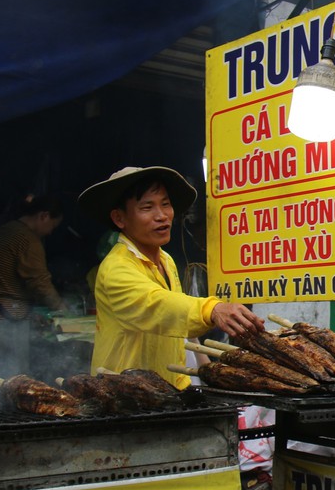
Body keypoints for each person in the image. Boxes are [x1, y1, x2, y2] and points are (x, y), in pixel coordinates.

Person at [77, 166, 265, 388]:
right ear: (119, 218)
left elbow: (178, 323)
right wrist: (212, 309)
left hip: (168, 388)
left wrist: (205, 370)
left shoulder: (165, 260)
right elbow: (159, 306)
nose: (162, 216)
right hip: (126, 396)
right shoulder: (115, 269)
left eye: (165, 204)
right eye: (147, 207)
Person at [0, 195, 66, 398]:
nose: (50, 232)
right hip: (2, 320)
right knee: (10, 379)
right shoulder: (27, 238)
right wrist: (62, 309)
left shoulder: (6, 230)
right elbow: (39, 282)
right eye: (53, 227)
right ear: (44, 216)